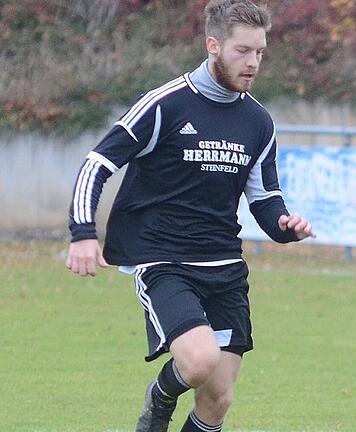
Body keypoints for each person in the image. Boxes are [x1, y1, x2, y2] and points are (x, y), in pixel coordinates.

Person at [65, 1, 315, 431]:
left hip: (224, 265)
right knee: (199, 362)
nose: (253, 62)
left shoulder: (258, 121)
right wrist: (83, 232)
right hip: (163, 258)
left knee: (218, 399)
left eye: (260, 52)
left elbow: (265, 199)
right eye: (243, 51)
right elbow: (98, 164)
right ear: (213, 45)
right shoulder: (165, 104)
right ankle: (160, 396)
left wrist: (284, 226)